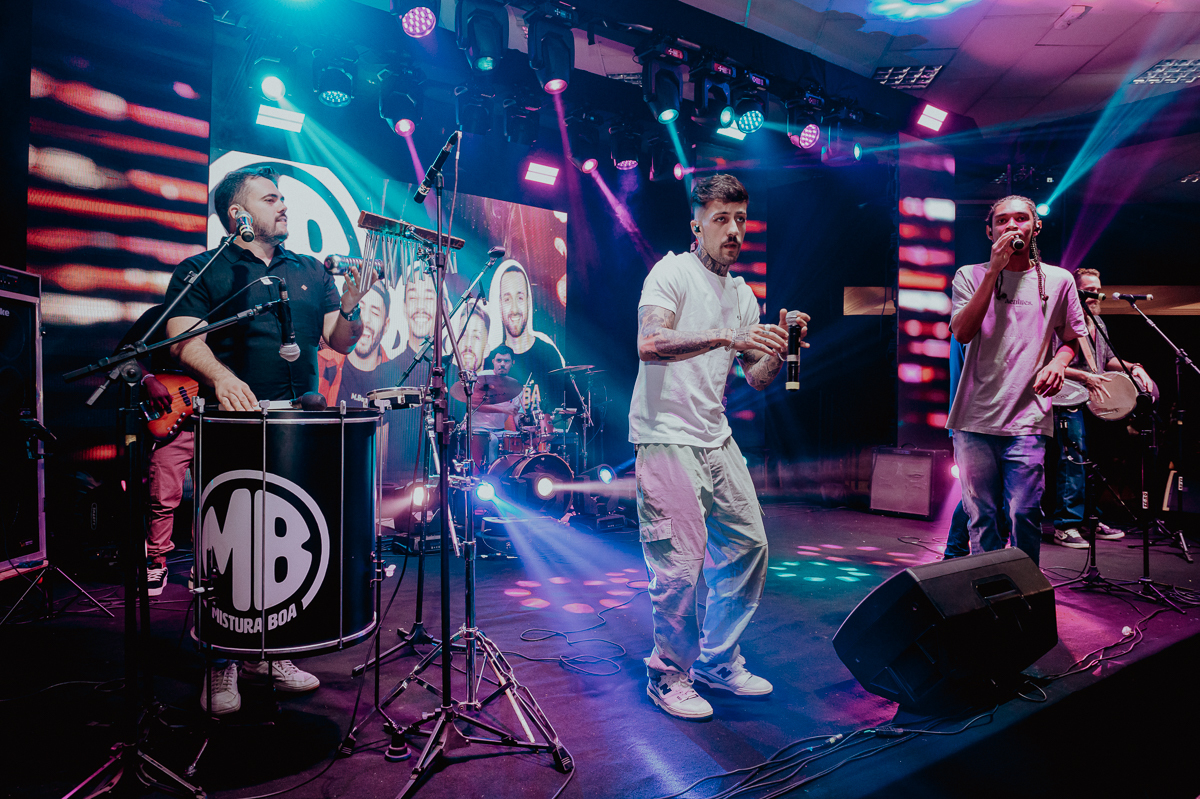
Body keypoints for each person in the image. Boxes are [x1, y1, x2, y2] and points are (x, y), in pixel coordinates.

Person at [163, 166, 373, 715]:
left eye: (283, 197)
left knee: (277, 536)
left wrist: (350, 307)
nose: (284, 205)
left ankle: (270, 654)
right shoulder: (207, 268)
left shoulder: (308, 269)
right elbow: (180, 337)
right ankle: (221, 660)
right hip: (230, 422)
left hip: (295, 426)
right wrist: (224, 379)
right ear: (239, 214)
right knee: (228, 539)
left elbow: (339, 340)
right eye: (271, 198)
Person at [630, 173, 809, 720]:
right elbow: (650, 343)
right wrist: (728, 337)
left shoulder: (741, 294)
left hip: (715, 435)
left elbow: (755, 379)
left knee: (749, 546)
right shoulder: (671, 272)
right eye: (720, 220)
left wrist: (781, 344)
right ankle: (668, 673)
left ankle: (716, 659)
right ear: (697, 225)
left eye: (739, 218)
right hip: (666, 436)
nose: (733, 230)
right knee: (680, 567)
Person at [947, 195, 1087, 566]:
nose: (1012, 226)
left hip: (1027, 418)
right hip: (973, 419)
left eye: (1020, 219)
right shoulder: (969, 275)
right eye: (1002, 220)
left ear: (1035, 227)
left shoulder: (1059, 280)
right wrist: (995, 270)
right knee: (982, 517)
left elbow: (1072, 339)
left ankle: (1026, 598)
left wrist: (1058, 361)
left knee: (1024, 512)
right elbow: (961, 332)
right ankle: (987, 597)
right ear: (990, 230)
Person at [1050, 267, 1154, 547]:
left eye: (1097, 289)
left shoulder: (1098, 323)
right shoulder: (1061, 321)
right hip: (1068, 400)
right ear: (1075, 291)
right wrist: (1085, 377)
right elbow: (1050, 364)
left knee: (1096, 462)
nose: (1096, 295)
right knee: (1073, 461)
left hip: (1094, 400)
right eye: (1089, 290)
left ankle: (1089, 519)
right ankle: (1066, 525)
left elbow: (1104, 360)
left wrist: (1134, 367)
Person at [488, 260, 565, 413]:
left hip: (541, 436)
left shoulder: (549, 355)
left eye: (520, 298)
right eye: (508, 299)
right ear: (500, 304)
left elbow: (559, 411)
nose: (515, 309)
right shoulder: (492, 359)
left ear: (529, 301)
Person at [470, 345, 521, 467]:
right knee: (492, 440)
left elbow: (516, 416)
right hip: (478, 429)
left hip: (499, 430)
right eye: (499, 360)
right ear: (493, 361)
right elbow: (473, 405)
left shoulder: (515, 386)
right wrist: (504, 409)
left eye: (506, 361)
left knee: (520, 441)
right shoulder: (483, 377)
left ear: (512, 363)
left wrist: (527, 431)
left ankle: (512, 475)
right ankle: (491, 477)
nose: (502, 364)